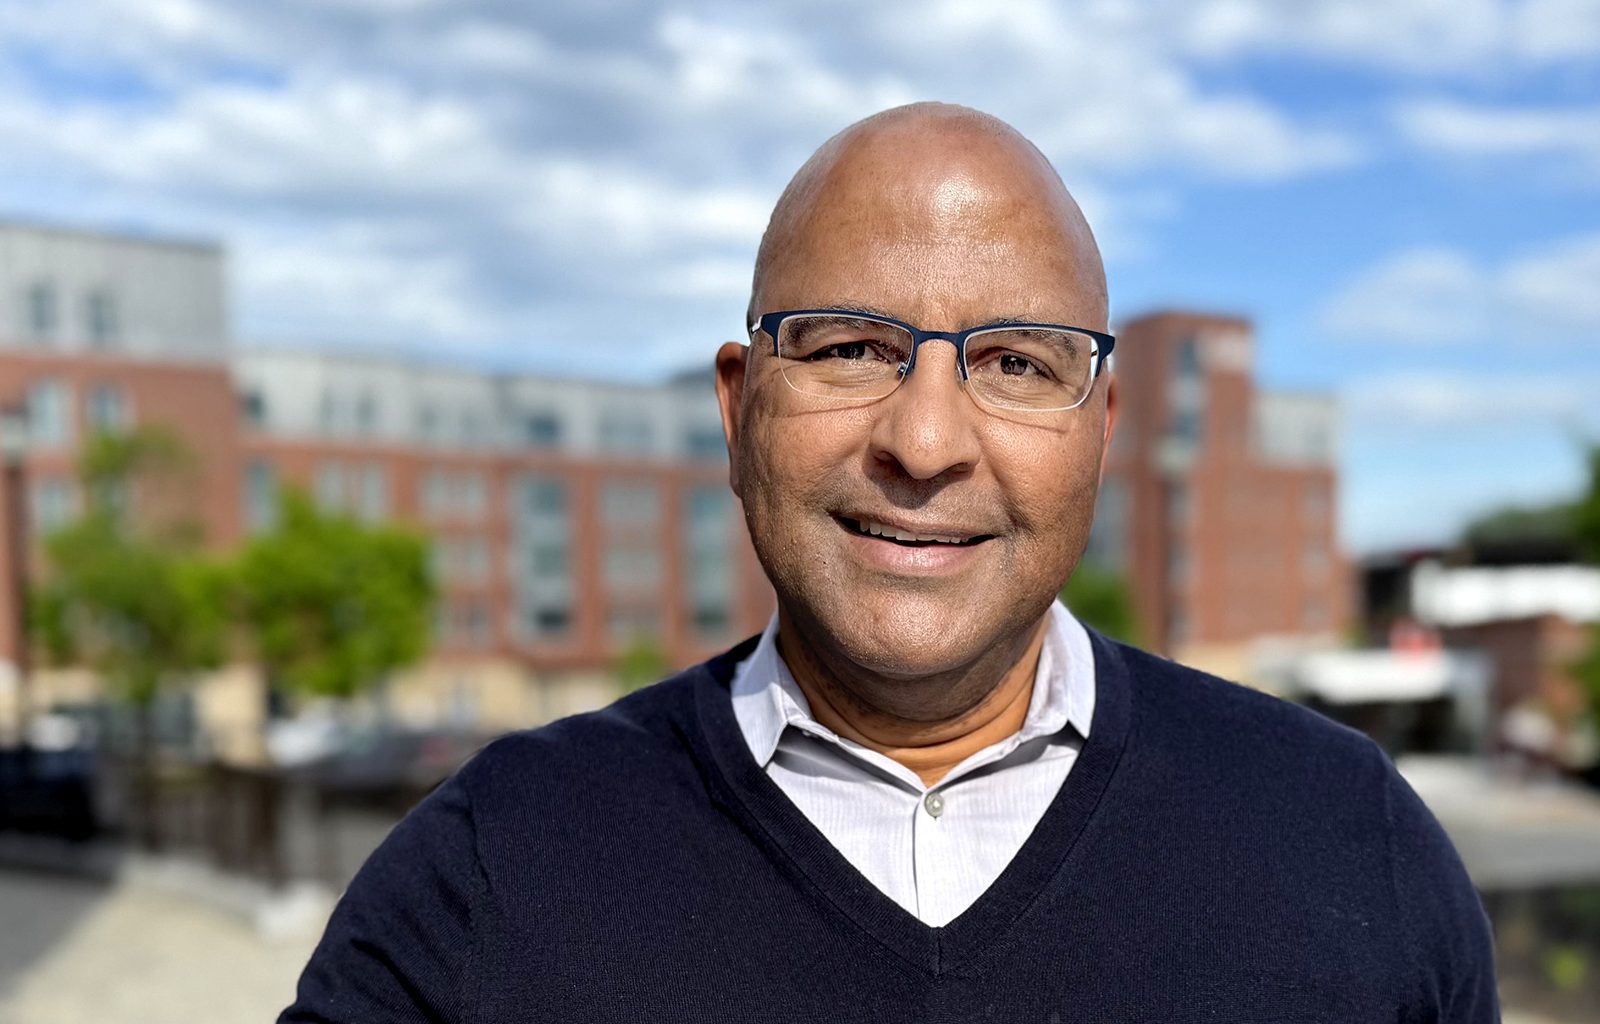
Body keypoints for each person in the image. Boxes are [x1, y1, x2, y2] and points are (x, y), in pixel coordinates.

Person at [281, 103, 1498, 1022]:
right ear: (738, 408)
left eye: (1016, 363)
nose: (922, 442)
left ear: (1100, 431)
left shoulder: (1349, 842)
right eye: (850, 348)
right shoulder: (490, 873)